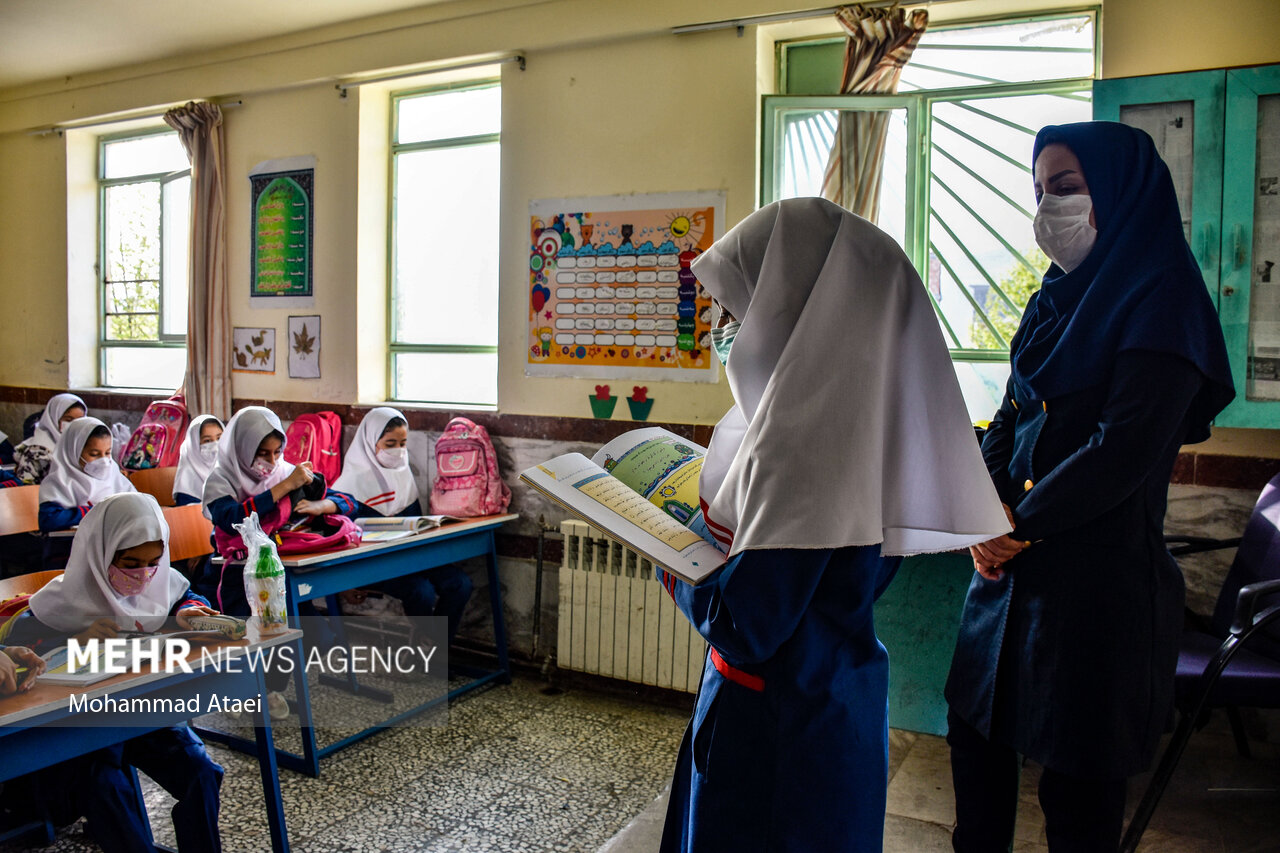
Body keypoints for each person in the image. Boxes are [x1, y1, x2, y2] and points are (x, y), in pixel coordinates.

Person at [657, 197, 1011, 853]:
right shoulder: (868, 416)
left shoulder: (796, 440)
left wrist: (667, 555)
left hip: (772, 725)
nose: (722, 328)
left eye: (735, 308)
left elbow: (746, 625)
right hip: (841, 697)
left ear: (790, 306)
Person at [945, 121, 1236, 853]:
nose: (1049, 208)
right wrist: (983, 513)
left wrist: (1020, 523)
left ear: (1120, 191)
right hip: (1004, 578)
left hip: (1093, 592)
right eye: (1039, 190)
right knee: (975, 754)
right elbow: (1009, 415)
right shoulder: (1051, 299)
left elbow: (1125, 447)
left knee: (1076, 799)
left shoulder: (1164, 297)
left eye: (1066, 188)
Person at [2, 492, 226, 852]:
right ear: (99, 554)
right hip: (82, 732)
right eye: (130, 563)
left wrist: (191, 611)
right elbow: (25, 657)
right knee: (106, 785)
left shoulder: (160, 583)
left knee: (201, 770)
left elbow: (184, 596)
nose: (143, 576)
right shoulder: (56, 605)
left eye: (154, 562)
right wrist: (76, 638)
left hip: (141, 714)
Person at [332, 407, 472, 650]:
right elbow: (340, 538)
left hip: (412, 559)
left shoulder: (402, 474)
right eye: (390, 443)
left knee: (460, 583)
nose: (397, 450)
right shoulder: (348, 485)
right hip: (375, 566)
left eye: (403, 443)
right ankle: (433, 649)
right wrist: (344, 582)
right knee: (421, 592)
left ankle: (431, 647)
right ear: (370, 443)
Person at [38, 417, 135, 570]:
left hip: (111, 552)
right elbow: (49, 520)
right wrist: (95, 511)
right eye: (94, 454)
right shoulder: (59, 482)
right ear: (74, 452)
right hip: (67, 556)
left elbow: (133, 504)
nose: (103, 461)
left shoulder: (113, 474)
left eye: (108, 453)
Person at [13, 393, 86, 484]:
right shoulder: (36, 452)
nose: (74, 424)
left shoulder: (85, 445)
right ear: (53, 419)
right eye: (68, 419)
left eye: (80, 420)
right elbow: (25, 487)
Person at [173, 415, 224, 506]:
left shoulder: (229, 469)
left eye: (219, 438)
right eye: (207, 441)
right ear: (194, 446)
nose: (215, 445)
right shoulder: (186, 484)